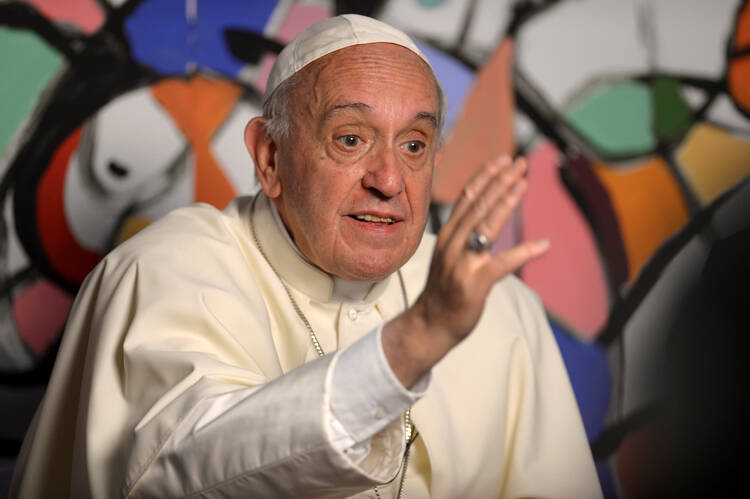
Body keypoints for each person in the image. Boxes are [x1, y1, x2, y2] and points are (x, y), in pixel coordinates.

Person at [11, 14, 601, 499]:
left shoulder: (501, 308)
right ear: (269, 158)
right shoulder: (164, 269)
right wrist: (412, 342)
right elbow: (178, 475)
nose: (390, 180)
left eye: (415, 145)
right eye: (351, 139)